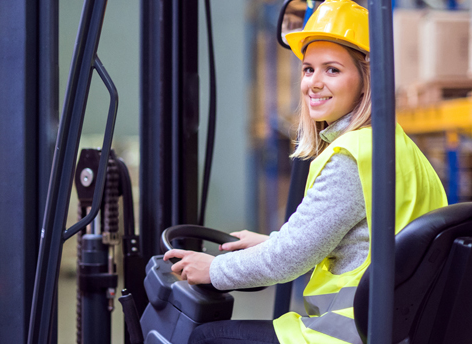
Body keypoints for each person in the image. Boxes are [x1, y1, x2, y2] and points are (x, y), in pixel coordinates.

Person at [164, 1, 448, 343]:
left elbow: (287, 261)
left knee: (204, 337)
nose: (313, 83)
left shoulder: (352, 157)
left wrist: (213, 269)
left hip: (346, 335)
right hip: (387, 329)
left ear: (365, 80)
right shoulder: (392, 145)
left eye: (332, 70)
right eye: (308, 69)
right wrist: (273, 242)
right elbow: (350, 242)